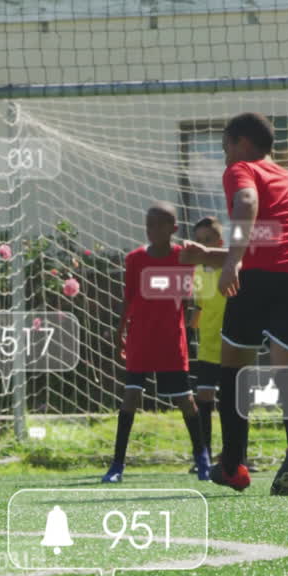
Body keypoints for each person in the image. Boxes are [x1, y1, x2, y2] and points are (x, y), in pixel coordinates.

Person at [211, 113, 288, 496]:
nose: (224, 154)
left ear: (241, 142)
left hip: (258, 276)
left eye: (225, 145)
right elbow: (278, 230)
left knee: (233, 369)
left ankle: (233, 466)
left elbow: (246, 203)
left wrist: (232, 260)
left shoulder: (241, 169)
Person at [102, 203, 211, 484]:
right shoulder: (135, 258)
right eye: (148, 225)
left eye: (158, 225)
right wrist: (119, 330)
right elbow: (128, 298)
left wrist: (193, 318)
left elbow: (192, 296)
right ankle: (117, 465)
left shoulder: (184, 257)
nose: (151, 230)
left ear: (173, 229)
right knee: (130, 398)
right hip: (141, 339)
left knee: (185, 401)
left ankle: (202, 459)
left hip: (171, 341)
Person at [188, 216, 226, 479]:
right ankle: (203, 457)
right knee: (203, 398)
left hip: (232, 344)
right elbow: (200, 305)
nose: (203, 246)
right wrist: (191, 324)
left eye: (208, 241)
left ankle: (237, 455)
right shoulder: (197, 272)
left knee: (233, 402)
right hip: (207, 346)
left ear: (220, 243)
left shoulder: (231, 267)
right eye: (199, 241)